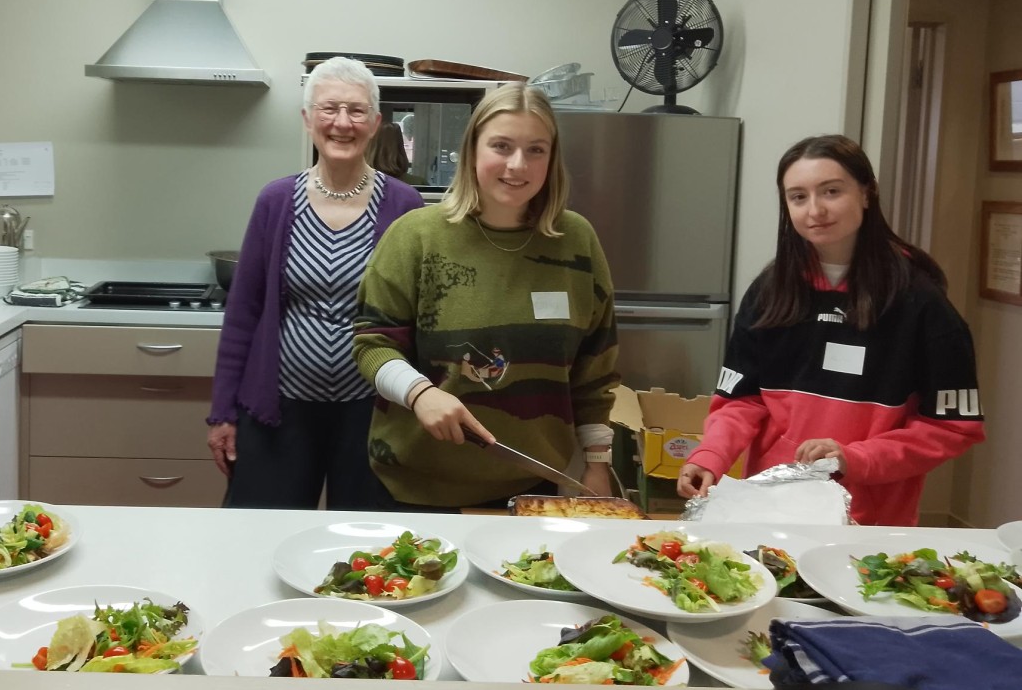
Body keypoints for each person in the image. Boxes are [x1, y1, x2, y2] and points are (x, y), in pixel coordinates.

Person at [676, 134, 985, 526]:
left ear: (867, 193)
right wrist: (711, 456)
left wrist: (854, 459)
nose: (815, 210)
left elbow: (952, 428)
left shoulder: (920, 300)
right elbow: (741, 401)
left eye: (831, 191)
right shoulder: (771, 291)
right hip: (769, 512)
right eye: (798, 197)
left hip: (870, 523)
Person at [352, 83, 619, 510]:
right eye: (501, 146)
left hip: (532, 484)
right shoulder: (416, 236)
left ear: (552, 159)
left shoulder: (576, 240)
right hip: (415, 486)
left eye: (536, 150)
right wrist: (420, 392)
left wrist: (598, 461)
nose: (518, 165)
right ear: (472, 149)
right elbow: (373, 344)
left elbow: (595, 366)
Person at [206, 57, 423, 508]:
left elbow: (421, 318)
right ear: (308, 119)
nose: (342, 122)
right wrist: (223, 412)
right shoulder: (276, 200)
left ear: (375, 124)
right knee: (260, 532)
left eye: (357, 110)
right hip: (279, 408)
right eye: (329, 109)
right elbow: (243, 313)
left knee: (366, 538)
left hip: (372, 409)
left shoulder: (404, 205)